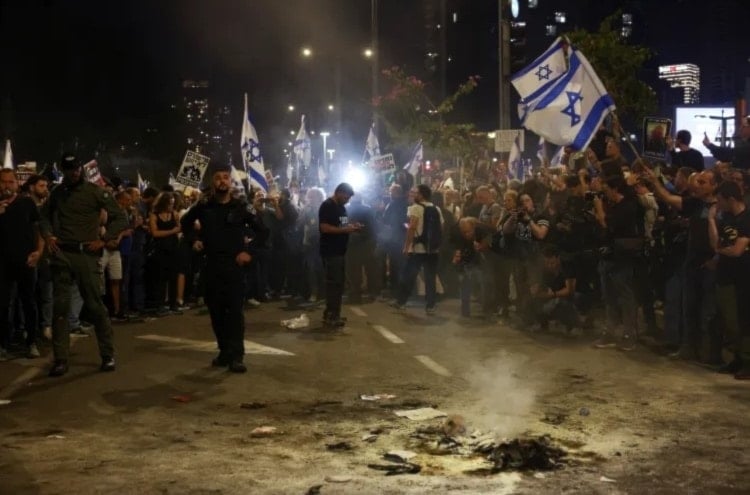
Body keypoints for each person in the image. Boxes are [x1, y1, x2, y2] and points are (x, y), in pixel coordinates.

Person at [39, 153, 128, 376]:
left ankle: (107, 355)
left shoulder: (95, 192)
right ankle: (61, 359)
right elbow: (43, 216)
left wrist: (105, 240)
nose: (75, 172)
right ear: (64, 170)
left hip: (86, 255)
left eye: (77, 168)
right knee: (60, 309)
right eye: (70, 169)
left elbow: (120, 218)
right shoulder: (58, 193)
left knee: (96, 306)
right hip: (63, 254)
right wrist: (48, 235)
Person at [180, 163, 266, 373]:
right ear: (212, 181)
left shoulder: (241, 207)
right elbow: (185, 223)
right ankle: (224, 351)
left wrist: (249, 252)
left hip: (234, 268)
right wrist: (194, 240)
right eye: (218, 178)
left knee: (235, 313)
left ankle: (237, 356)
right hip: (211, 267)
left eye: (225, 177)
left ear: (230, 181)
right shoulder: (204, 206)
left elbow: (263, 232)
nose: (222, 181)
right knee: (216, 313)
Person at [0, 169, 45, 360]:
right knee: (3, 304)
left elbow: (39, 229)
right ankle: (3, 343)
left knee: (29, 302)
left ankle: (31, 342)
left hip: (26, 261)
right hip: (2, 263)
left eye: (11, 182)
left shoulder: (26, 203)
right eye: (3, 182)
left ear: (17, 184)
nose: (7, 186)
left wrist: (38, 252)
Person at [391, 184, 444, 315]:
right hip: (433, 250)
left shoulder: (415, 208)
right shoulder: (436, 208)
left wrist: (407, 246)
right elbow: (441, 227)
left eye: (415, 193)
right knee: (430, 278)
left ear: (421, 195)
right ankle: (431, 305)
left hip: (418, 249)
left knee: (409, 275)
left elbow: (412, 228)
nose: (413, 195)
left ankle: (401, 302)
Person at [318, 183, 361, 327]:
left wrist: (353, 228)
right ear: (339, 192)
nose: (347, 200)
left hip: (341, 251)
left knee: (339, 284)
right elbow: (324, 228)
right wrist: (345, 231)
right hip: (331, 251)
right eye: (346, 197)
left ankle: (335, 314)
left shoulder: (342, 208)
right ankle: (331, 315)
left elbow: (342, 226)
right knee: (333, 284)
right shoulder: (327, 206)